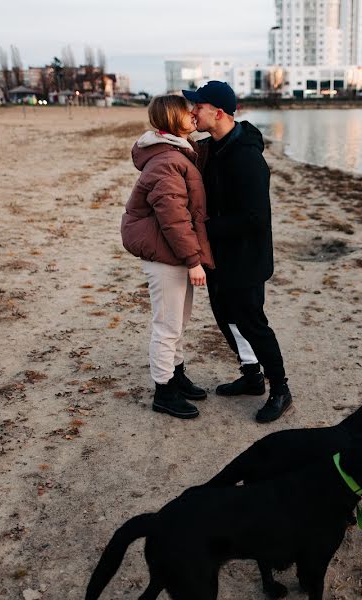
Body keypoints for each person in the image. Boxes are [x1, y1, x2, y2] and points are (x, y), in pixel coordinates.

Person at [184, 81, 293, 423]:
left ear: (217, 113)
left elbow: (256, 219)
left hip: (245, 259)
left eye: (197, 107)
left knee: (252, 323)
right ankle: (251, 377)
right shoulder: (210, 149)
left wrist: (205, 228)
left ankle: (280, 388)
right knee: (224, 317)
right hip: (218, 257)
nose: (192, 113)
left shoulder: (247, 157)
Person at [120, 95, 214, 419]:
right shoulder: (166, 161)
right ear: (173, 120)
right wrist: (194, 260)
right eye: (187, 112)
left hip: (170, 250)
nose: (193, 115)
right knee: (167, 324)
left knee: (178, 320)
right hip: (165, 254)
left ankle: (176, 375)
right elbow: (173, 218)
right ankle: (164, 391)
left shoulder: (175, 151)